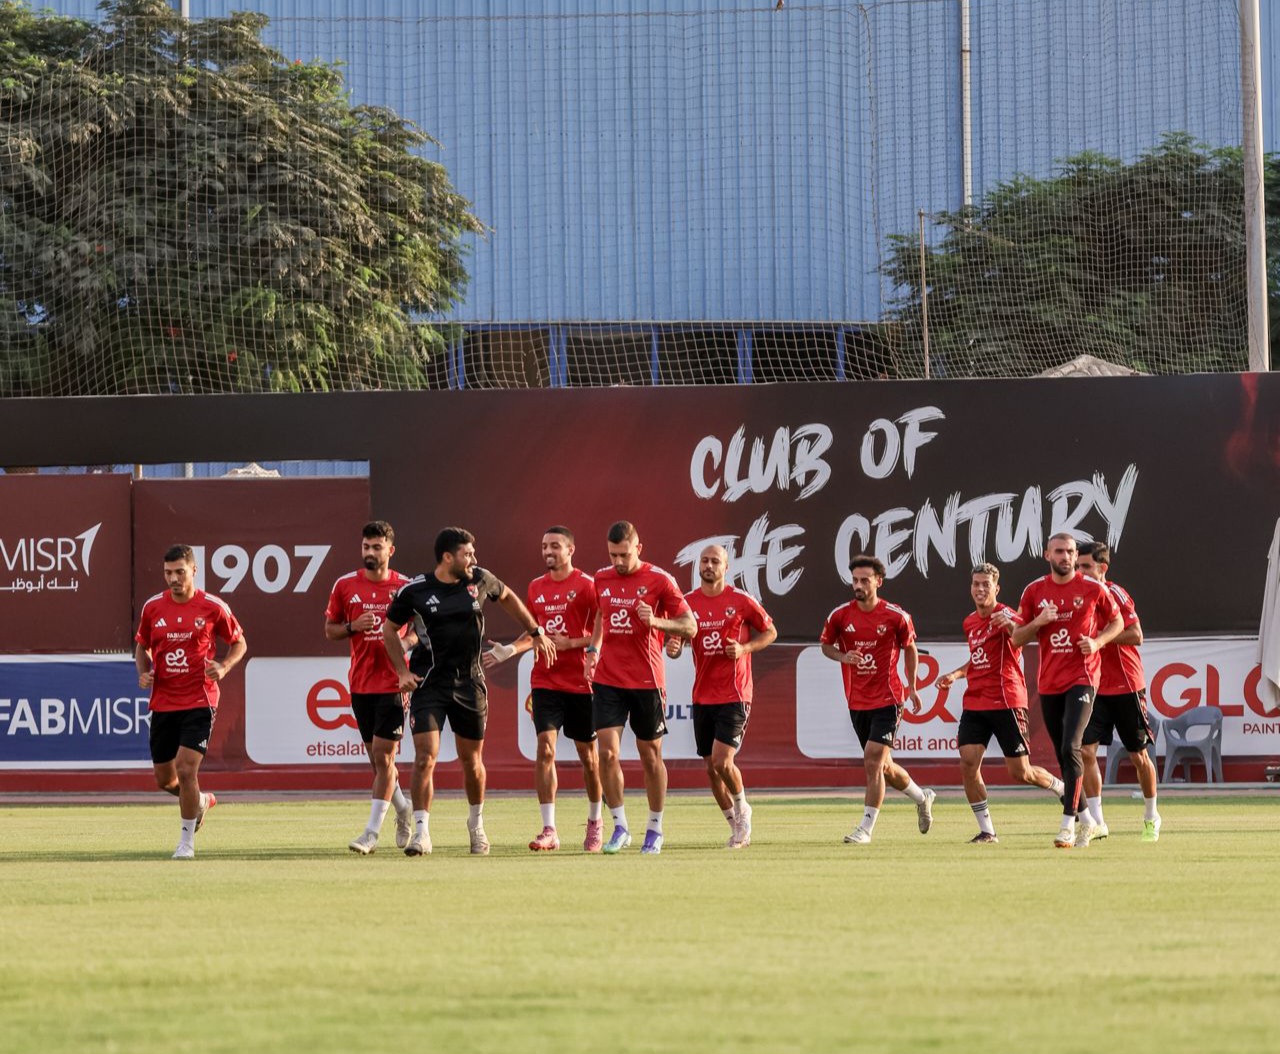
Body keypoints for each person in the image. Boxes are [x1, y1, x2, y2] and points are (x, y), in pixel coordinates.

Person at [383, 527, 554, 856]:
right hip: (428, 684)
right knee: (424, 758)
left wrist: (535, 631)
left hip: (470, 684)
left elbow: (508, 598)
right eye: (467, 554)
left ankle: (476, 825)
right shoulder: (415, 591)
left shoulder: (479, 580)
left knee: (472, 762)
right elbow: (389, 630)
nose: (473, 559)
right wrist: (402, 671)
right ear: (448, 558)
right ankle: (422, 833)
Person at [483, 526, 604, 852]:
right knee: (545, 750)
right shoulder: (536, 587)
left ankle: (595, 821)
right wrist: (510, 650)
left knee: (589, 758)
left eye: (555, 546)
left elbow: (602, 624)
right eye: (544, 546)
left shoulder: (587, 584)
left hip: (581, 682)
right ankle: (549, 828)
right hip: (545, 680)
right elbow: (533, 634)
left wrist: (576, 644)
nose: (548, 551)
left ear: (570, 550)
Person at [585, 521, 697, 855]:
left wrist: (657, 622)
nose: (618, 561)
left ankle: (655, 828)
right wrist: (593, 649)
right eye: (612, 554)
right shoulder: (601, 578)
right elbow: (602, 616)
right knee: (606, 753)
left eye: (624, 554)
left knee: (651, 756)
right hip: (608, 680)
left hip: (647, 681)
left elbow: (689, 625)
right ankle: (619, 826)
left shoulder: (660, 580)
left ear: (638, 548)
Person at [935, 564, 1067, 844]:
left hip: (1007, 700)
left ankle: (1060, 787)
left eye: (986, 584)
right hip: (976, 702)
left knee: (1021, 773)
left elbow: (1024, 635)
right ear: (970, 587)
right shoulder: (970, 621)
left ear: (996, 588)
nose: (980, 589)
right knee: (968, 763)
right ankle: (987, 831)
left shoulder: (1007, 615)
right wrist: (956, 674)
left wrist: (1019, 624)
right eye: (976, 584)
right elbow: (978, 658)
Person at [1011, 533, 1123, 849]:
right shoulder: (1034, 591)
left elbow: (1117, 622)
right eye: (1060, 551)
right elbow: (1018, 637)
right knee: (1064, 751)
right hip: (1049, 682)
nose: (1066, 556)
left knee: (1072, 744)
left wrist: (1098, 642)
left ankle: (1067, 826)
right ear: (1047, 553)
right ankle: (1089, 822)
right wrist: (1039, 622)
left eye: (1071, 551)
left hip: (1084, 678)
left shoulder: (1093, 588)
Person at [134, 544, 247, 860]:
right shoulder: (153, 607)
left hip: (200, 699)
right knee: (165, 780)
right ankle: (199, 802)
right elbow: (141, 648)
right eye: (168, 572)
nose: (173, 578)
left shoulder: (212, 606)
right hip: (164, 703)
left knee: (186, 770)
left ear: (194, 571)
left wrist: (223, 666)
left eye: (180, 572)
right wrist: (144, 672)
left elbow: (239, 642)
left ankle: (186, 844)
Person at [665, 544, 776, 849]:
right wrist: (673, 649)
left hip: (735, 692)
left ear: (727, 567)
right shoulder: (687, 604)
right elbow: (675, 640)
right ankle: (734, 823)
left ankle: (743, 809)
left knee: (722, 761)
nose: (709, 565)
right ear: (698, 566)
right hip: (703, 695)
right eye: (705, 561)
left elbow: (770, 632)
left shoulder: (740, 600)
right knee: (711, 768)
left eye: (715, 561)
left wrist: (744, 649)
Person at [819, 554, 935, 845]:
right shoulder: (840, 616)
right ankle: (923, 797)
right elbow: (825, 646)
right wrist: (843, 656)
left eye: (864, 580)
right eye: (855, 580)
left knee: (871, 761)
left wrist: (912, 686)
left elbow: (910, 648)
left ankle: (865, 829)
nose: (858, 585)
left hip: (889, 698)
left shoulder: (896, 616)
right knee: (883, 767)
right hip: (857, 701)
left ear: (878, 582)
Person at [324, 520, 416, 855]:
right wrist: (352, 626)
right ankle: (403, 808)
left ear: (390, 550)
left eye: (377, 547)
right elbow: (330, 630)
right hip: (361, 683)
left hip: (394, 681)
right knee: (378, 763)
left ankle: (371, 834)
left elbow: (421, 626)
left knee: (383, 756)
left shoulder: (405, 587)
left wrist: (407, 641)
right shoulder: (346, 585)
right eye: (366, 547)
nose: (370, 553)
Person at [1076, 542, 1161, 842]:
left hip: (1126, 685)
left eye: (1085, 566)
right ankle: (1098, 822)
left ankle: (1151, 816)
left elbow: (1137, 635)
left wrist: (1100, 640)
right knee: (1086, 751)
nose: (1080, 572)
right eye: (1077, 566)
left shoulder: (1116, 594)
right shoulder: (1077, 597)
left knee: (1138, 757)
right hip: (1095, 686)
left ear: (1102, 568)